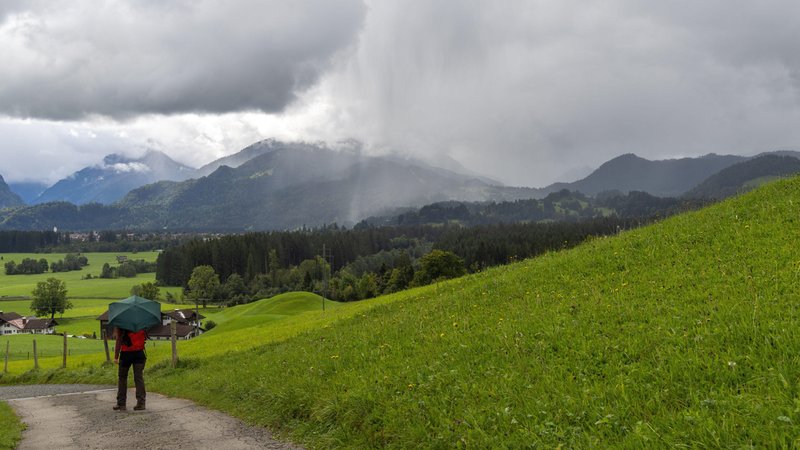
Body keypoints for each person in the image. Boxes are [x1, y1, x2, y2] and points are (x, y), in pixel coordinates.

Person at [113, 326, 148, 411]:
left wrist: (116, 357)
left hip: (126, 354)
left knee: (122, 378)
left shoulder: (121, 324)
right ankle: (141, 403)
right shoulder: (141, 323)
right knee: (138, 377)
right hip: (139, 353)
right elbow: (145, 337)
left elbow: (119, 340)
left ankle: (121, 404)